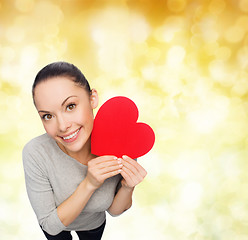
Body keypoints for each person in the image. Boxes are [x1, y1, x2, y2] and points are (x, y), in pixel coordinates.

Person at [22, 61, 147, 240]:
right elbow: (50, 225)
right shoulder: (35, 153)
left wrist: (128, 187)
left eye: (70, 106)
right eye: (48, 116)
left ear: (92, 98)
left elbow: (114, 211)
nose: (63, 126)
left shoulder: (121, 143)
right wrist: (89, 184)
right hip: (58, 228)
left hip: (93, 224)